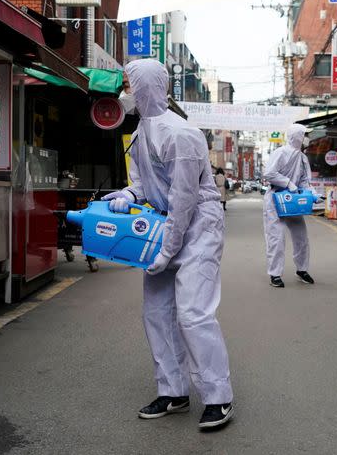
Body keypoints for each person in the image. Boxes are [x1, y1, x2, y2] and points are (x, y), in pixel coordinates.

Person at [103, 59, 234, 430]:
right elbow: (148, 185)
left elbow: (183, 199)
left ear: (147, 86)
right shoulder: (142, 132)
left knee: (193, 312)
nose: (124, 92)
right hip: (166, 226)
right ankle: (173, 390)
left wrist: (166, 250)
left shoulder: (181, 134)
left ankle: (218, 396)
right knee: (156, 314)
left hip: (198, 227)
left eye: (129, 84)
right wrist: (129, 194)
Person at [263, 124, 316, 288]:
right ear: (297, 136)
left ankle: (302, 269)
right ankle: (275, 274)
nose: (307, 138)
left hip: (293, 201)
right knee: (276, 238)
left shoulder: (302, 158)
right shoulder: (280, 153)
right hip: (276, 199)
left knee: (301, 237)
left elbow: (305, 181)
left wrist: (313, 193)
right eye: (305, 134)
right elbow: (269, 173)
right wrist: (288, 183)